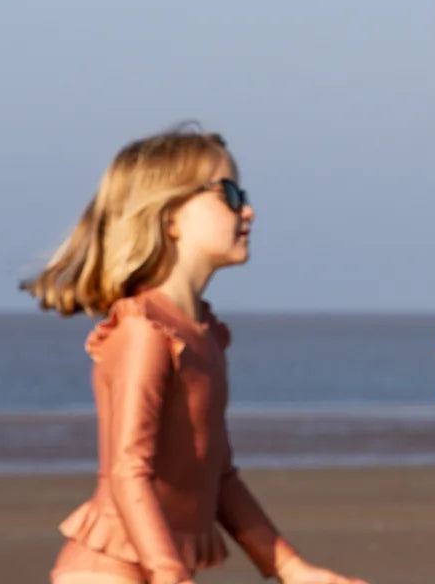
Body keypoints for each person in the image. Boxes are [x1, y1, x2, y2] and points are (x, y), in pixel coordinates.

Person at [24, 128, 367, 584]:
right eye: (227, 192)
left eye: (241, 192)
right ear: (168, 216)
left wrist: (291, 567)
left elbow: (218, 475)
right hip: (109, 571)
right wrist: (170, 573)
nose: (248, 209)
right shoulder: (143, 331)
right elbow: (129, 472)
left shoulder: (202, 333)